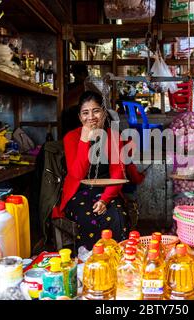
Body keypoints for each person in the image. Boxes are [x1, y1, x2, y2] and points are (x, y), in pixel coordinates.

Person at [58, 90, 131, 251]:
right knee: (87, 218)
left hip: (107, 191)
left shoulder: (113, 136)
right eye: (85, 113)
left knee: (117, 216)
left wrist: (104, 199)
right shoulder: (71, 138)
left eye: (96, 111)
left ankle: (116, 261)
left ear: (104, 113)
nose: (91, 117)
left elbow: (118, 173)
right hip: (79, 192)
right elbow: (76, 174)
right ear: (79, 117)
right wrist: (85, 139)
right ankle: (90, 263)